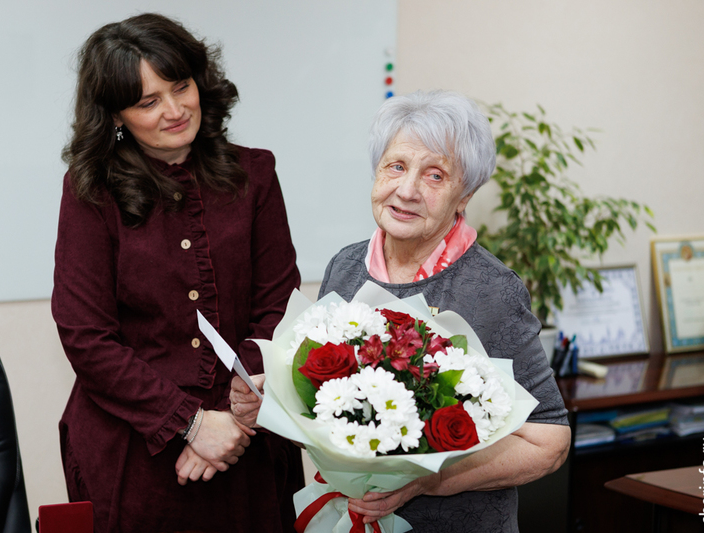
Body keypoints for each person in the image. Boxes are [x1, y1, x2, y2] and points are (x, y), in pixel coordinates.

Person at [231, 90, 570, 533]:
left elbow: (548, 440)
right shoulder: (346, 267)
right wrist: (270, 399)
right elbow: (326, 410)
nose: (407, 190)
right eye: (396, 166)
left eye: (435, 175)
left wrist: (428, 481)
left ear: (464, 195)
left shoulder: (492, 289)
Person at [52, 13, 304, 533]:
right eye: (148, 102)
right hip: (134, 452)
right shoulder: (91, 191)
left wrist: (236, 415)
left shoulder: (254, 174)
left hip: (247, 441)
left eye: (181, 86)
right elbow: (86, 335)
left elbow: (278, 306)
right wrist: (189, 423)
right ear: (116, 115)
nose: (174, 110)